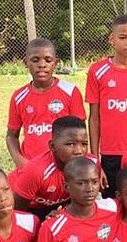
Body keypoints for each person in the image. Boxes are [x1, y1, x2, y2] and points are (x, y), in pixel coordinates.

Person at [86, 14, 127, 199]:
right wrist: (95, 160)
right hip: (111, 154)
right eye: (123, 37)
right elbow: (94, 118)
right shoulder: (97, 71)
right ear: (112, 40)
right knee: (114, 205)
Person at [6, 38, 86, 166]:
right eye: (35, 60)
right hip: (31, 165)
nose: (42, 65)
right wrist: (20, 161)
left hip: (63, 165)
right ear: (26, 63)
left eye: (48, 60)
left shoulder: (70, 91)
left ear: (56, 62)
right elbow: (11, 136)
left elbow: (80, 135)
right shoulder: (19, 97)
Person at [9, 116, 97, 221]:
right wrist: (42, 222)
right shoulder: (36, 171)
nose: (79, 151)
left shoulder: (91, 165)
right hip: (30, 206)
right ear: (52, 146)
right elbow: (17, 214)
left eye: (84, 144)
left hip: (58, 204)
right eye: (71, 144)